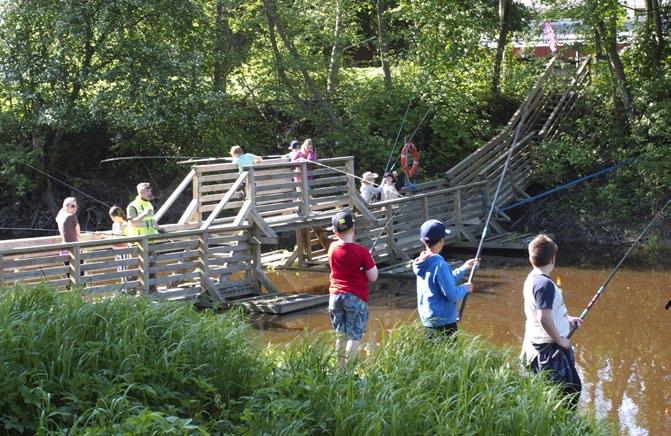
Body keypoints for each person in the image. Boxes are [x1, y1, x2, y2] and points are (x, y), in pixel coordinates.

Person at [521, 234, 583, 408]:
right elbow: (544, 318)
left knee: (568, 390)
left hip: (540, 344)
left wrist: (567, 320)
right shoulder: (544, 285)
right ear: (552, 258)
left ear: (531, 257)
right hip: (549, 350)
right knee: (565, 396)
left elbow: (544, 312)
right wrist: (561, 341)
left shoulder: (533, 278)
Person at [328, 209, 378, 366]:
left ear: (335, 232)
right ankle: (349, 376)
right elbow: (373, 276)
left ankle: (339, 370)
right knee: (353, 337)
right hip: (355, 297)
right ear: (353, 228)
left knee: (340, 336)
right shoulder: (362, 252)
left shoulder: (332, 248)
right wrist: (367, 262)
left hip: (335, 296)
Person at [413, 219, 479, 339]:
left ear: (422, 240)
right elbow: (452, 294)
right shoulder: (440, 265)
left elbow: (444, 282)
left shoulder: (421, 262)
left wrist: (464, 268)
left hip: (427, 320)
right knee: (447, 355)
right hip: (443, 323)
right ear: (442, 241)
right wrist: (465, 288)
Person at [109, 206, 130, 282]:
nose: (112, 218)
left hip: (123, 250)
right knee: (119, 270)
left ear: (117, 216)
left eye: (112, 217)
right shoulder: (114, 225)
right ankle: (124, 288)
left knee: (124, 270)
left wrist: (116, 236)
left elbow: (127, 237)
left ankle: (126, 289)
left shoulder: (125, 224)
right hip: (115, 249)